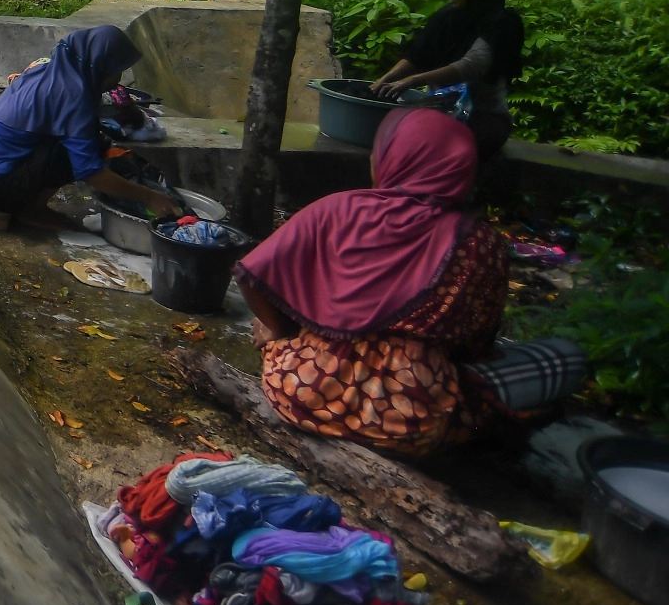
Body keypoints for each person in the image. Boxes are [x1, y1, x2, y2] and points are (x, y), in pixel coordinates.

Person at [236, 109, 587, 457]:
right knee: (567, 358)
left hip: (299, 390)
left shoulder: (335, 209)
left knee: (278, 324)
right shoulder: (481, 244)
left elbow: (251, 275)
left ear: (394, 159)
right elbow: (476, 347)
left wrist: (280, 329)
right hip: (407, 420)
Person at [0, 26, 180, 229]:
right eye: (117, 71)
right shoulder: (73, 96)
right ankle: (32, 211)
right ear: (101, 67)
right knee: (82, 149)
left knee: (85, 140)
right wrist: (149, 197)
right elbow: (91, 173)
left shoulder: (46, 71)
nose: (119, 79)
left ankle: (30, 204)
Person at [370, 0, 525, 161]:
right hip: (439, 111)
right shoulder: (447, 17)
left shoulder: (502, 23)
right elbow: (418, 54)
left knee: (430, 146)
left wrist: (413, 81)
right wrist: (386, 79)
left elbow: (472, 65)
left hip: (482, 117)